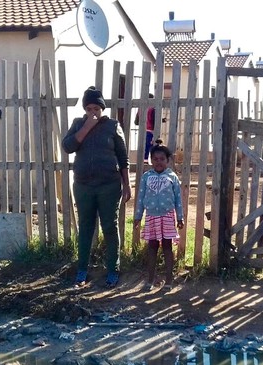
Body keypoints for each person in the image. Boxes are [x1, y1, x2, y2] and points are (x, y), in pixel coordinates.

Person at [62, 86, 131, 288]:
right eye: (89, 108)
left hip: (108, 185)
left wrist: (127, 185)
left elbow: (123, 157)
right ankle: (82, 270)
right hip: (83, 185)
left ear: (102, 108)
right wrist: (86, 128)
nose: (93, 112)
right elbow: (67, 147)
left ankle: (113, 270)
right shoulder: (78, 124)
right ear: (85, 109)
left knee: (109, 227)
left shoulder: (112, 125)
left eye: (96, 108)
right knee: (85, 228)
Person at [133, 140, 184, 291]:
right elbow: (141, 198)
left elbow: (178, 199)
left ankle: (168, 280)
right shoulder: (146, 177)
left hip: (167, 216)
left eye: (162, 159)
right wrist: (138, 216)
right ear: (151, 160)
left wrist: (180, 217)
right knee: (152, 247)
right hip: (151, 217)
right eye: (155, 159)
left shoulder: (172, 177)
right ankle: (150, 280)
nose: (159, 162)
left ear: (168, 160)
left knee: (167, 247)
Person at [134, 94, 156, 162]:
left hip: (143, 130)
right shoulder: (152, 109)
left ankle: (144, 160)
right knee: (152, 147)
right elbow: (154, 121)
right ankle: (151, 161)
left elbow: (136, 122)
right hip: (151, 130)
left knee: (144, 146)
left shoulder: (140, 109)